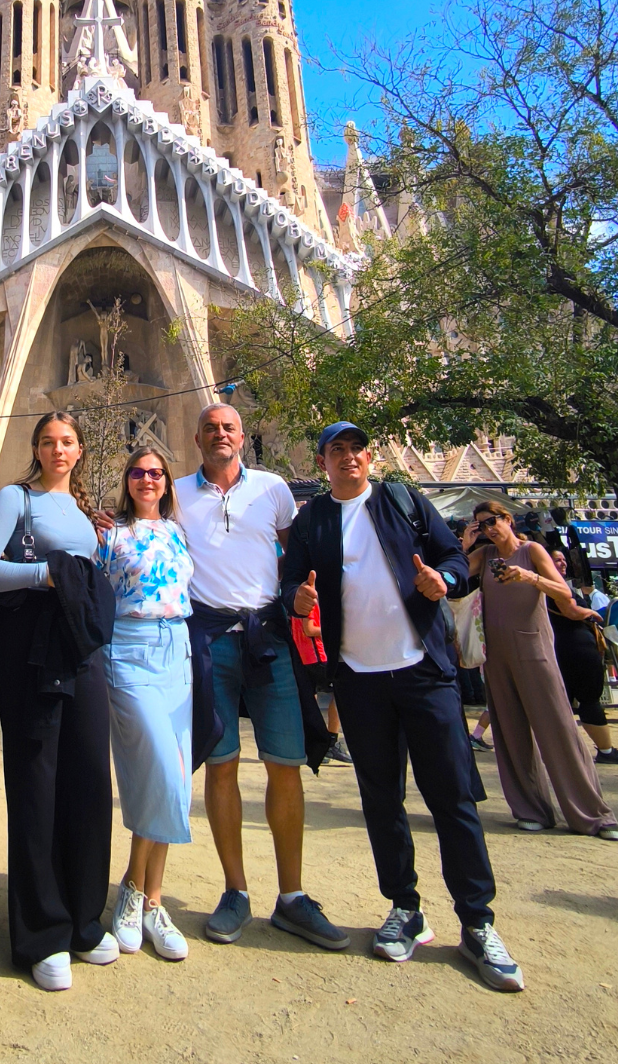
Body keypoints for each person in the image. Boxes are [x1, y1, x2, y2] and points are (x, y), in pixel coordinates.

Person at [282, 424, 524, 992]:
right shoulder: (312, 521)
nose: (349, 459)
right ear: (322, 462)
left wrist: (443, 580)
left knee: (451, 796)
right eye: (336, 451)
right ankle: (405, 906)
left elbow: (453, 558)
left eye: (356, 450)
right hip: (360, 679)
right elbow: (292, 581)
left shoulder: (402, 499)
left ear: (369, 457)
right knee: (381, 798)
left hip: (422, 672)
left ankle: (477, 921)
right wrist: (298, 598)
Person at [175, 404, 347, 953]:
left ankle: (292, 897)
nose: (220, 435)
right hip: (207, 637)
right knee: (221, 767)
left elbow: (296, 553)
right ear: (197, 436)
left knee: (284, 764)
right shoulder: (178, 492)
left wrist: (297, 595)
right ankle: (235, 891)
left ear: (242, 437)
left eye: (228, 427)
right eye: (210, 428)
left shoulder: (272, 488)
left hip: (267, 636)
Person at [0, 411, 117, 992]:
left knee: (88, 782)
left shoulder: (81, 512)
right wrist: (42, 578)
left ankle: (84, 919)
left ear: (79, 451)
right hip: (31, 648)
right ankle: (40, 933)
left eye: (68, 442)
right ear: (36, 448)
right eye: (49, 441)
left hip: (80, 650)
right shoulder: (15, 499)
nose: (59, 449)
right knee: (36, 782)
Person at [467, 500, 617, 841]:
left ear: (507, 519)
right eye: (480, 526)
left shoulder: (530, 550)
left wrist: (529, 576)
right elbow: (455, 574)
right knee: (510, 732)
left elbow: (563, 591)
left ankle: (591, 814)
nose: (488, 529)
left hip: (533, 647)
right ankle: (530, 809)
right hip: (496, 654)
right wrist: (465, 543)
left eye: (492, 522)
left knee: (558, 727)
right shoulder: (486, 556)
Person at [95, 448, 193, 962]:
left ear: (167, 481)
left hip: (178, 650)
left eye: (156, 473)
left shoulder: (178, 532)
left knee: (175, 774)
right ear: (127, 480)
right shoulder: (109, 533)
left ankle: (150, 900)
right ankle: (132, 892)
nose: (147, 480)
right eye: (138, 472)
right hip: (128, 650)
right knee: (156, 768)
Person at [546, 548, 617, 765]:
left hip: (568, 649)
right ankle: (605, 751)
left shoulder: (549, 584)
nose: (563, 564)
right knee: (586, 700)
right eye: (557, 560)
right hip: (573, 650)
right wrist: (591, 613)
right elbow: (571, 611)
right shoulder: (550, 585)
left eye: (563, 560)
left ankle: (568, 753)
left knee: (565, 703)